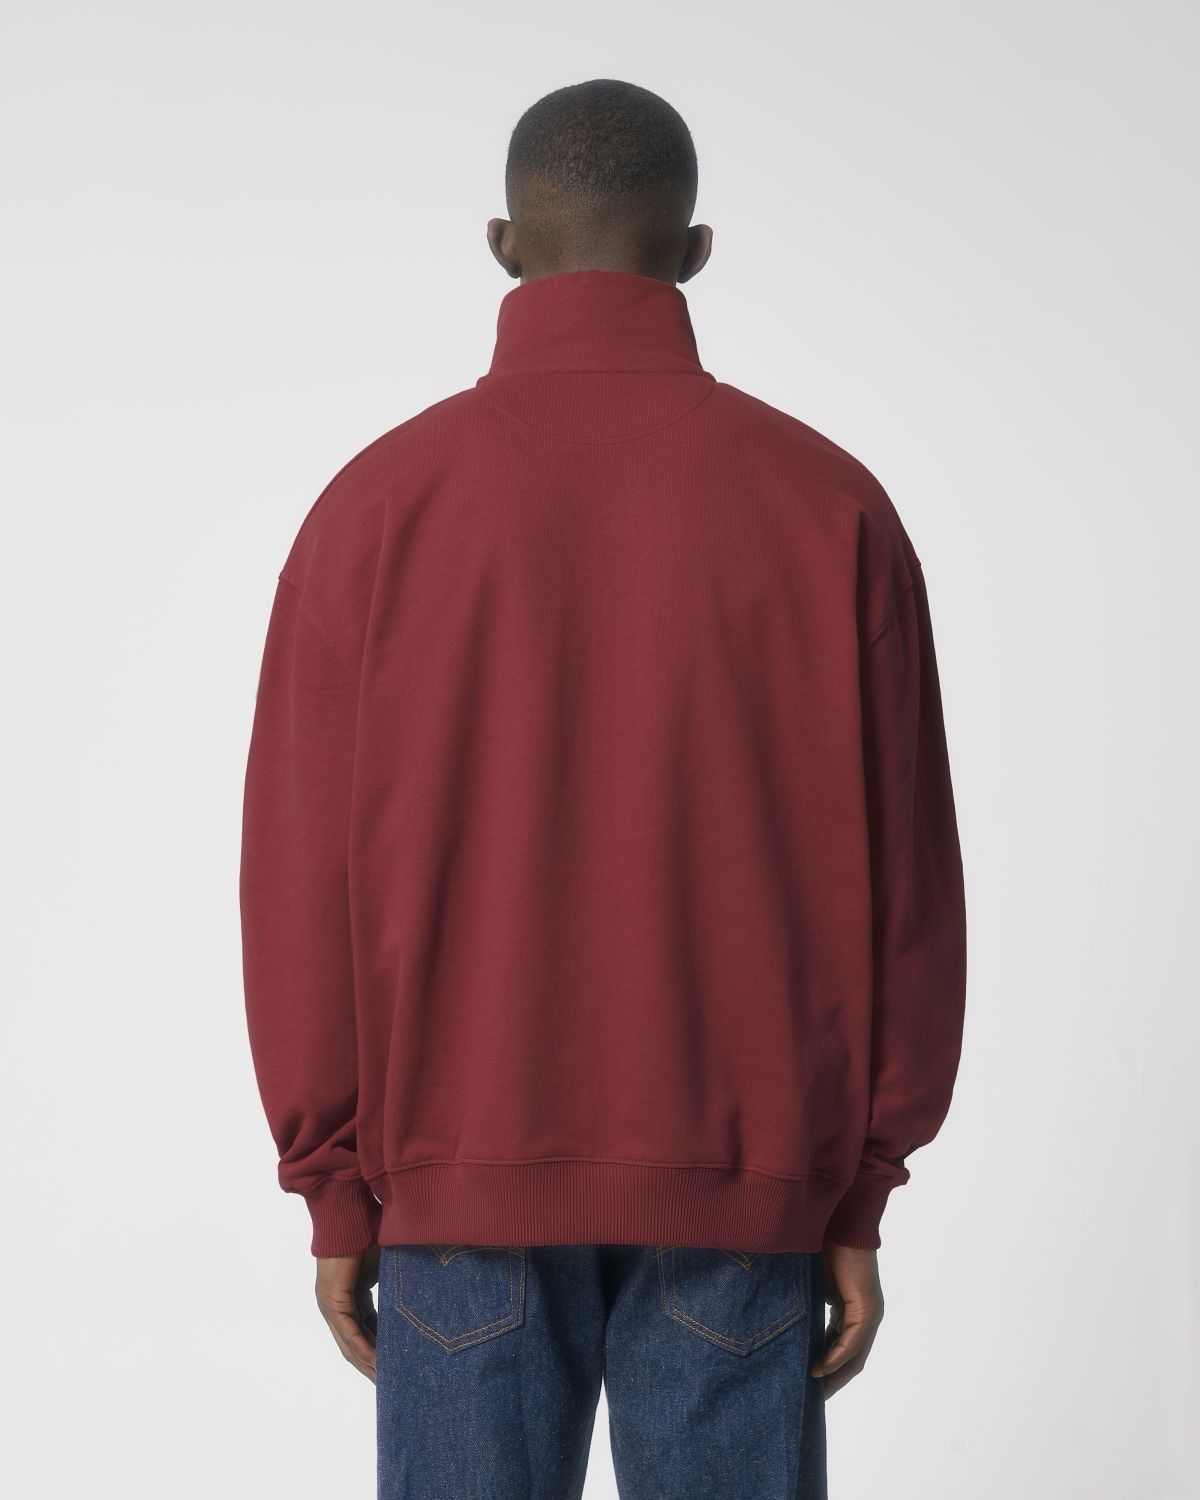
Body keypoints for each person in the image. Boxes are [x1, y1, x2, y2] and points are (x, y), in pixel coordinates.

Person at [239, 77, 967, 1500]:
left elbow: (297, 882)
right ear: (693, 251)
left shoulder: (374, 509)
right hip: (747, 1190)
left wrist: (334, 1188)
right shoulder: (831, 507)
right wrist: (861, 1185)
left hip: (458, 1186)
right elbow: (910, 893)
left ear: (504, 244)